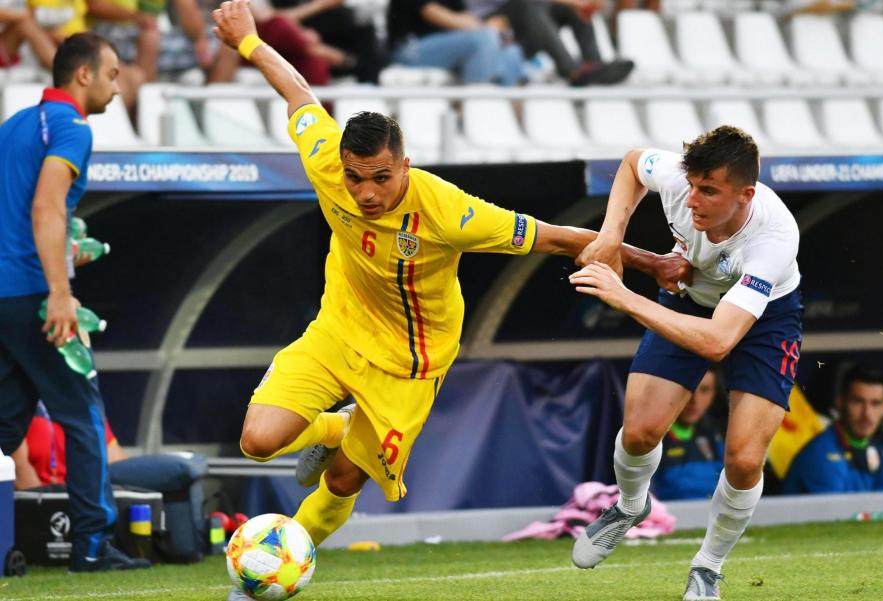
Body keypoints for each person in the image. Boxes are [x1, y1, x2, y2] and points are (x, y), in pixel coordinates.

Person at [209, 1, 690, 597]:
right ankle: (334, 428)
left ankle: (262, 583)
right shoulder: (325, 160)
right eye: (355, 177)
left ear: (404, 166)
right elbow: (299, 92)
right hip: (337, 332)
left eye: (380, 178)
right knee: (257, 443)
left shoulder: (448, 211)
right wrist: (250, 41)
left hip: (411, 364)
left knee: (342, 481)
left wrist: (650, 262)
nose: (365, 192)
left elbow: (560, 238)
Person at [566, 125, 802, 601]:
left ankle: (708, 566)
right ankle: (631, 506)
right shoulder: (680, 180)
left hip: (764, 320)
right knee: (638, 432)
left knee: (743, 459)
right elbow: (633, 161)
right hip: (690, 299)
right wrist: (612, 237)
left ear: (745, 195)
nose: (692, 200)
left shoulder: (773, 239)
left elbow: (718, 341)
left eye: (709, 191)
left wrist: (624, 296)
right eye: (692, 186)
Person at [0, 33, 150, 573]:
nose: (117, 86)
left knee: (4, 422)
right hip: (33, 297)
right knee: (84, 419)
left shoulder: (14, 126)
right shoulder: (71, 128)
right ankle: (90, 546)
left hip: (1, 298)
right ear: (83, 75)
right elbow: (45, 209)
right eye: (112, 74)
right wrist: (60, 295)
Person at [11, 401, 209, 562]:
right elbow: (20, 473)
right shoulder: (19, 402)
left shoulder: (80, 400)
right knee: (183, 466)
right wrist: (43, 512)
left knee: (185, 464)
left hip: (94, 484)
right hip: (61, 496)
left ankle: (182, 543)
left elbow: (117, 462)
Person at [782, 365, 883, 494]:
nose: (867, 414)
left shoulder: (880, 452)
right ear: (840, 402)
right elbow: (836, 514)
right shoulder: (821, 454)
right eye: (857, 401)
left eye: (875, 403)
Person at [466, 0, 634, 86]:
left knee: (573, 10)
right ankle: (572, 71)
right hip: (489, 29)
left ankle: (594, 65)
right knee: (525, 5)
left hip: (527, 29)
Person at [387, 0, 527, 85]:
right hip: (409, 49)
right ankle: (477, 109)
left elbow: (466, 17)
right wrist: (486, 28)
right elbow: (435, 14)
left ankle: (511, 117)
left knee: (511, 52)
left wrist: (491, 29)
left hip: (445, 47)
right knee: (484, 38)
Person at [651, 367, 725, 501]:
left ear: (714, 394)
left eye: (704, 390)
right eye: (688, 390)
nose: (694, 400)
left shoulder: (716, 437)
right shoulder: (650, 438)